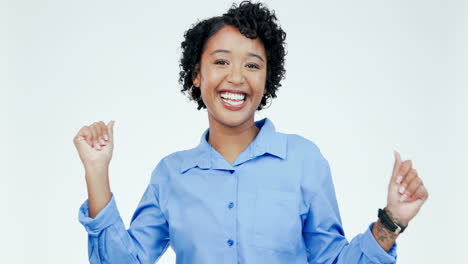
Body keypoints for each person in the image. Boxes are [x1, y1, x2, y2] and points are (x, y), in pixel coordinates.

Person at [73, 1, 429, 263]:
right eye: (221, 61)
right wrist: (96, 170)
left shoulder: (304, 160)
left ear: (266, 79)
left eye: (252, 65)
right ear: (197, 75)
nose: (237, 77)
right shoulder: (171, 175)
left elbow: (332, 260)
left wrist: (391, 220)